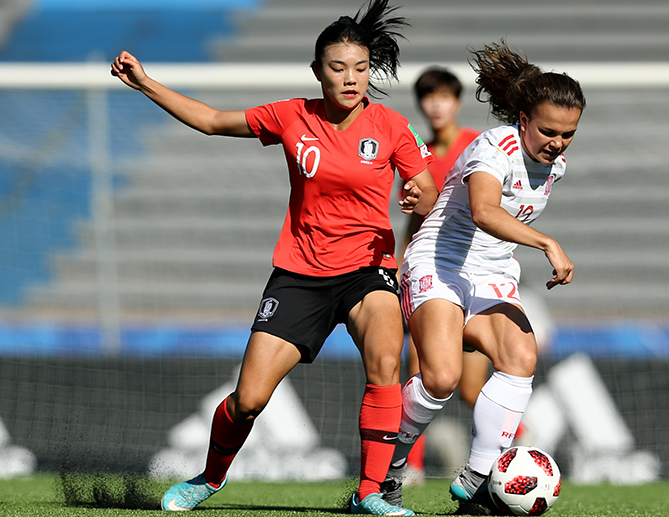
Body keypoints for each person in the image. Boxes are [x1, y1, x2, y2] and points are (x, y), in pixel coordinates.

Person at [110, 1, 437, 515]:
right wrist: (146, 83)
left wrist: (420, 194)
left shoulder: (392, 126)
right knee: (249, 400)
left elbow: (425, 184)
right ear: (317, 71)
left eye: (360, 67)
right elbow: (215, 121)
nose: (351, 78)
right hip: (300, 275)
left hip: (368, 270)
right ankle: (209, 479)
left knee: (384, 363)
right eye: (338, 68)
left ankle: (369, 493)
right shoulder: (292, 116)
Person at [383, 40, 584, 510]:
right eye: (549, 130)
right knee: (441, 379)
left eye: (569, 133)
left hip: (491, 272)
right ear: (523, 119)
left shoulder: (555, 167)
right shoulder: (495, 145)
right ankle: (387, 468)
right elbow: (482, 211)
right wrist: (547, 243)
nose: (557, 142)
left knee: (521, 354)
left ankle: (475, 477)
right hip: (439, 263)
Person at [397, 67, 485, 483]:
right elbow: (414, 222)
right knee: (418, 366)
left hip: (474, 273)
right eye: (428, 97)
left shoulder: (479, 146)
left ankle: (513, 442)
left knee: (470, 388)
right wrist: (400, 262)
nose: (436, 104)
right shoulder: (418, 156)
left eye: (444, 96)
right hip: (431, 272)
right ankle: (407, 467)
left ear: (457, 102)